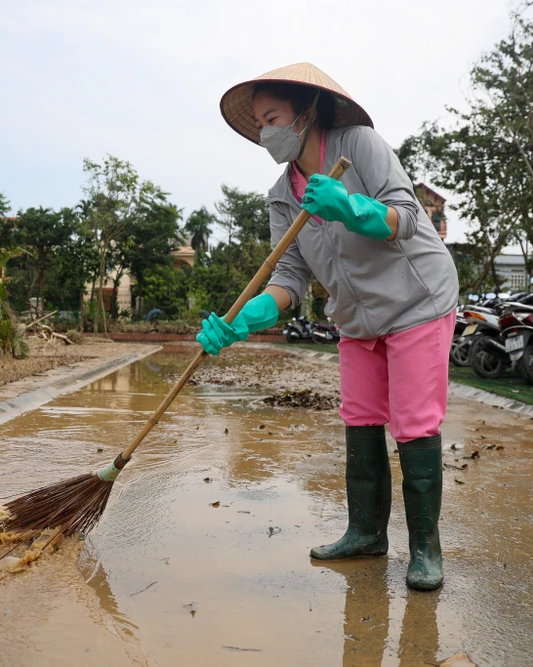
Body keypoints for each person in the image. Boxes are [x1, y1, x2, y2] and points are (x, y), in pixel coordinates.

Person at [198, 63, 459, 591]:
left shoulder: (358, 144)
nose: (266, 131)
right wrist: (243, 319)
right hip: (356, 317)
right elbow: (290, 279)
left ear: (306, 113)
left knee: (412, 423)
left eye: (273, 117)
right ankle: (365, 533)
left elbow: (406, 216)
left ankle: (426, 550)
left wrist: (350, 208)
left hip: (417, 300)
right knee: (361, 418)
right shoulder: (281, 195)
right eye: (259, 124)